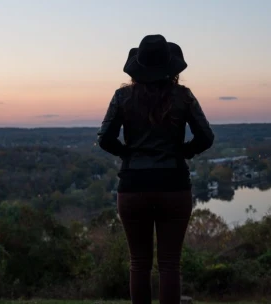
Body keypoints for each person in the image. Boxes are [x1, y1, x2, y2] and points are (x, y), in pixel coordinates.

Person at [97, 34, 214, 304]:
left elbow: (105, 139)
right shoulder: (183, 96)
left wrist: (129, 154)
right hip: (173, 184)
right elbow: (206, 138)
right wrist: (182, 153)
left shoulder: (122, 96)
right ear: (171, 68)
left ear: (137, 67)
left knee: (139, 263)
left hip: (133, 185)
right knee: (170, 264)